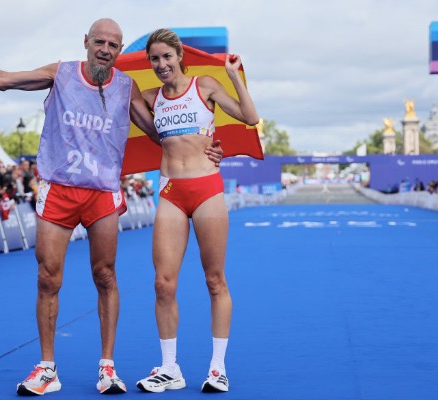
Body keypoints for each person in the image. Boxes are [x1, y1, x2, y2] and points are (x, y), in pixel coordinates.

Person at [0, 18, 223, 396]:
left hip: (103, 191)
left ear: (120, 51)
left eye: (114, 45)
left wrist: (207, 146)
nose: (106, 49)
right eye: (100, 41)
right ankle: (47, 368)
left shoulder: (126, 87)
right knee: (47, 277)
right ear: (86, 42)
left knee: (105, 276)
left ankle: (107, 368)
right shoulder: (62, 74)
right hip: (59, 188)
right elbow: (4, 79)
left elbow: (164, 132)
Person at [135, 28, 258, 394]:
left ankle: (217, 368)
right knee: (163, 283)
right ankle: (170, 368)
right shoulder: (149, 97)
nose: (161, 65)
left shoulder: (204, 86)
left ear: (179, 56)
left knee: (215, 280)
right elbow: (115, 94)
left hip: (206, 190)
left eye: (167, 57)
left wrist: (233, 75)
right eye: (154, 59)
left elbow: (250, 117)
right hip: (171, 191)